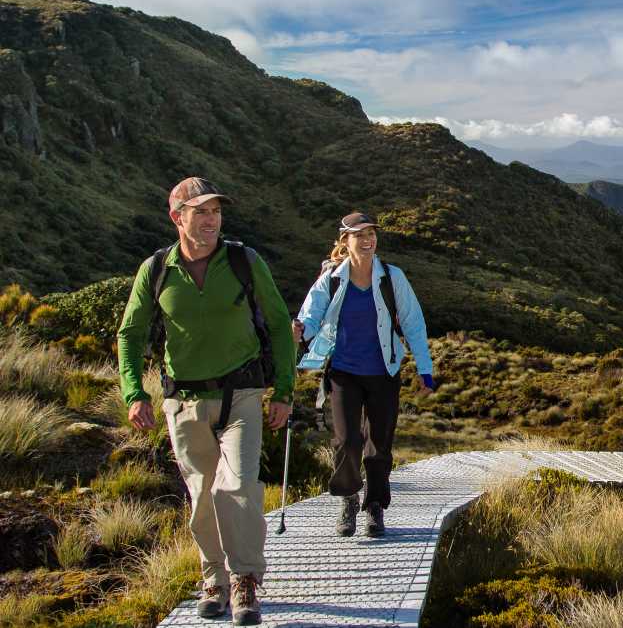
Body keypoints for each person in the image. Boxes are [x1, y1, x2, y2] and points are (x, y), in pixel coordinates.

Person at [117, 177, 295, 626]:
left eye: (216, 211)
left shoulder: (243, 261)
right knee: (201, 495)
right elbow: (131, 334)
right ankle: (212, 579)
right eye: (201, 211)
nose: (212, 219)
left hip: (243, 394)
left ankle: (245, 580)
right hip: (185, 400)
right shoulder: (156, 269)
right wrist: (134, 391)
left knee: (235, 487)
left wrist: (285, 390)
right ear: (177, 217)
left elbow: (277, 324)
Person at [294, 211, 434, 537]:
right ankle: (348, 499)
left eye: (371, 233)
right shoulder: (331, 278)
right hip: (344, 372)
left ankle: (374, 507)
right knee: (346, 440)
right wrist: (300, 331)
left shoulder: (391, 276)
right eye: (359, 234)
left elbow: (413, 322)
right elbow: (310, 317)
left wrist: (425, 369)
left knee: (379, 444)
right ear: (345, 241)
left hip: (384, 372)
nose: (368, 239)